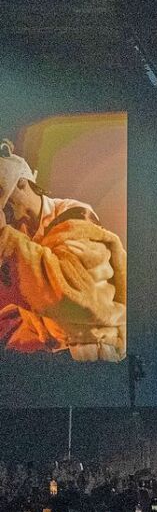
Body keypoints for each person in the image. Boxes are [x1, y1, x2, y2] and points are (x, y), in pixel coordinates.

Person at [0, 138, 126, 361]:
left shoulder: (77, 218)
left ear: (22, 183)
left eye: (5, 204)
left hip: (83, 359)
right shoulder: (17, 229)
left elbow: (71, 295)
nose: (3, 214)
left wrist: (5, 243)